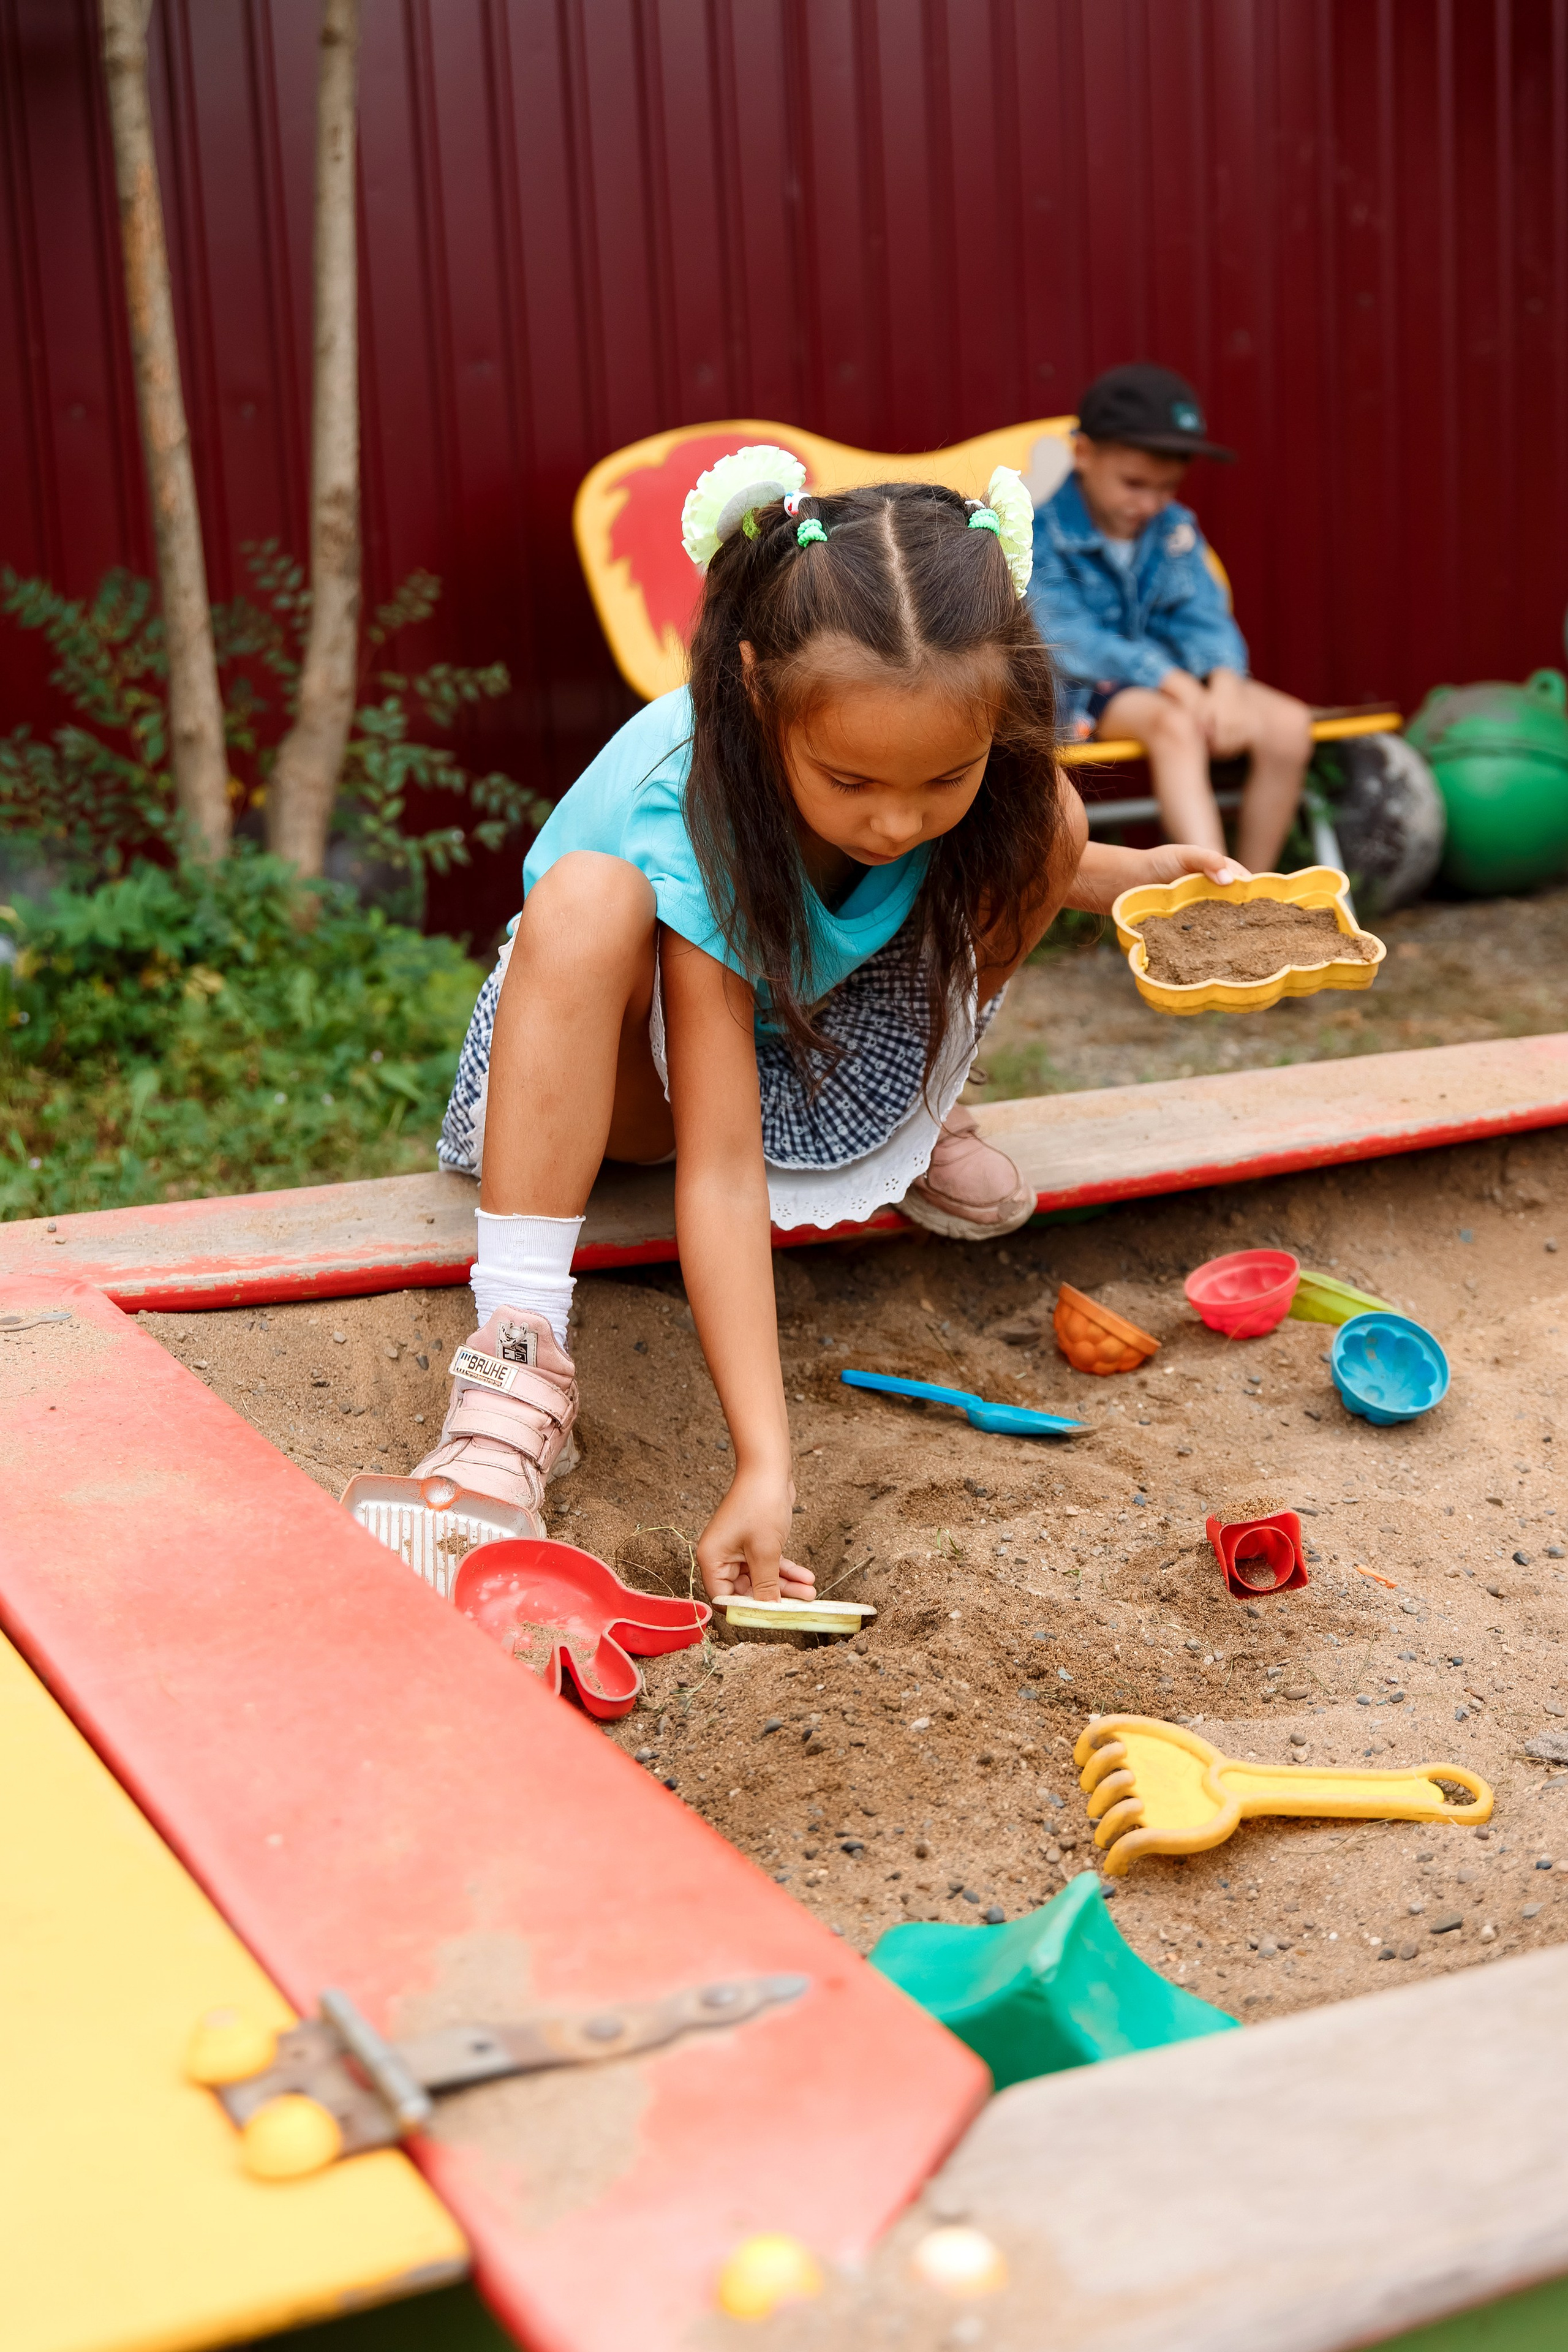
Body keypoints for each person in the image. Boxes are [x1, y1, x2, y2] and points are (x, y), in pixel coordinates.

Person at [415, 445, 1244, 1607]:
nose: (897, 824)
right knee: (590, 898)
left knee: (1048, 817)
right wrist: (766, 1461)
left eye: (942, 779)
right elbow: (719, 1164)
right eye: (851, 783)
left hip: (794, 1021)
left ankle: (920, 1119)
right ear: (757, 690)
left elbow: (979, 827)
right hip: (601, 1066)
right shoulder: (690, 797)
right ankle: (516, 1357)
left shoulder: (924, 755)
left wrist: (1126, 874)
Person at [1030, 363, 1313, 873]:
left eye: (1167, 487)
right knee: (1175, 725)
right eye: (1135, 483)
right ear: (1084, 453)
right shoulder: (1041, 531)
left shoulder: (1174, 528)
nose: (1150, 503)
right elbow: (1067, 637)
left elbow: (1203, 614)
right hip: (1088, 687)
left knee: (1290, 726)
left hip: (1179, 677)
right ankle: (1215, 884)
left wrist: (1225, 684)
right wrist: (1175, 682)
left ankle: (1255, 886)